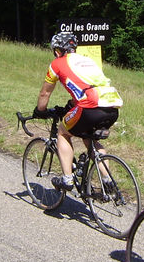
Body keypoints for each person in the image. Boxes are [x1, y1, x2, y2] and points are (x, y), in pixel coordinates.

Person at [33, 31, 123, 191]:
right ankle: (108, 182)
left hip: (90, 106)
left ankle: (67, 179)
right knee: (90, 139)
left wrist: (40, 110)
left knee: (63, 132)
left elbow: (44, 93)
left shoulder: (57, 63)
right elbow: (85, 86)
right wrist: (71, 105)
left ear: (57, 51)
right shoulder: (87, 61)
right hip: (112, 106)